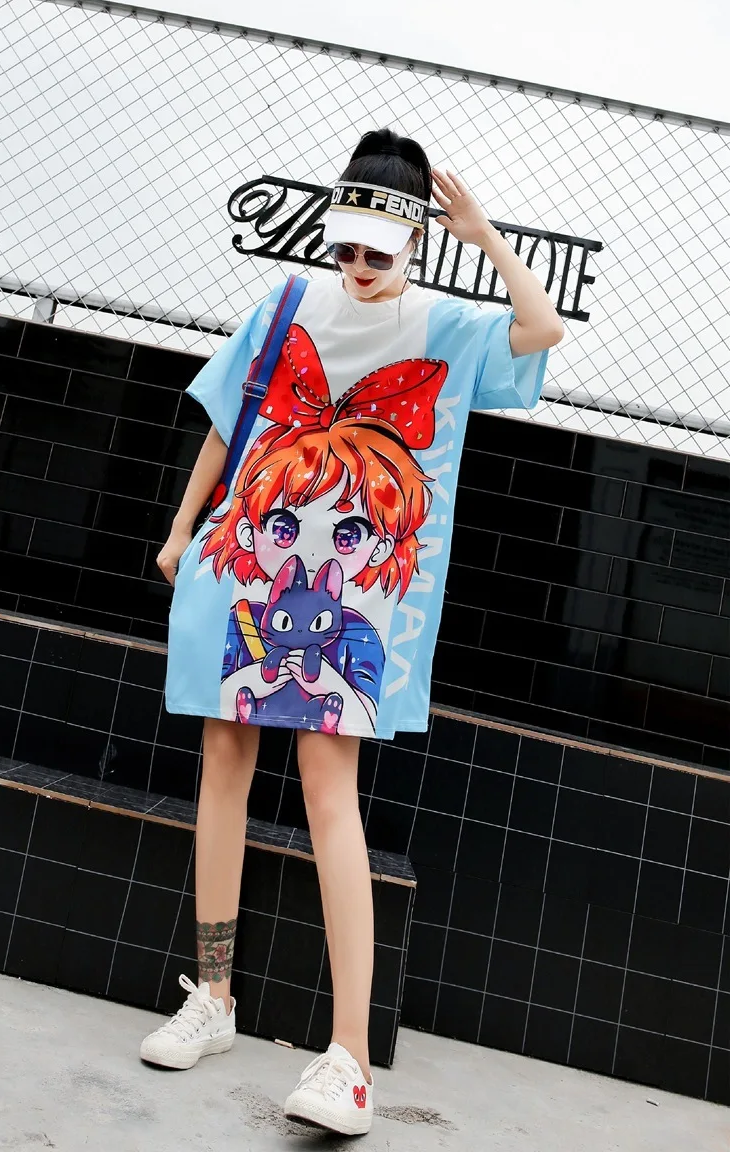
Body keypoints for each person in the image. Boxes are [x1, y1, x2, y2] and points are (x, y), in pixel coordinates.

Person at [140, 127, 565, 1136]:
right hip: (245, 558)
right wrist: (182, 528)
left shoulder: (443, 325)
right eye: (346, 246)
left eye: (378, 250)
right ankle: (212, 997)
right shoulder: (287, 303)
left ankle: (349, 1060)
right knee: (223, 759)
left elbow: (542, 329)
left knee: (328, 786)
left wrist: (487, 239)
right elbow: (228, 420)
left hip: (352, 589)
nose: (359, 266)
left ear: (414, 241)